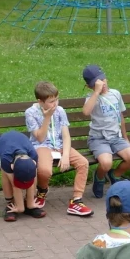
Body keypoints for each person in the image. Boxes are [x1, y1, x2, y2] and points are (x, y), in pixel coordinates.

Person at [25, 80, 90, 215]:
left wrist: (65, 155)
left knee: (83, 163)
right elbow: (40, 137)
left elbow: (66, 136)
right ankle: (42, 190)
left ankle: (76, 200)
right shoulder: (30, 113)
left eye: (57, 99)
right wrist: (47, 117)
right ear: (40, 101)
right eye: (51, 101)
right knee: (44, 171)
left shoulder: (60, 111)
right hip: (41, 146)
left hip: (60, 145)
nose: (55, 104)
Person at [82, 64, 130, 207]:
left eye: (103, 80)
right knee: (106, 163)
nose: (102, 84)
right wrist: (96, 93)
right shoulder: (91, 97)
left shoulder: (115, 94)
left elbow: (121, 117)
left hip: (116, 137)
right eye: (97, 83)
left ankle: (115, 175)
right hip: (98, 139)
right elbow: (85, 112)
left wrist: (125, 138)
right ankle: (99, 177)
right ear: (90, 86)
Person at [0, 129, 47, 221]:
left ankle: (29, 204)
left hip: (18, 146)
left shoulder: (33, 156)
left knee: (29, 175)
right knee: (4, 172)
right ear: (12, 166)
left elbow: (33, 178)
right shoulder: (6, 160)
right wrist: (20, 208)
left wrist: (31, 203)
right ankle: (11, 204)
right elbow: (15, 185)